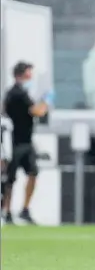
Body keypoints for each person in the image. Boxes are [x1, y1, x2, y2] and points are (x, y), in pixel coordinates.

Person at [2, 62, 51, 224]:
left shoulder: (15, 93)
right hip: (16, 142)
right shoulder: (18, 93)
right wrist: (46, 101)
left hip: (25, 141)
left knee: (31, 173)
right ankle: (8, 211)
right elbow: (37, 111)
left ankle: (23, 209)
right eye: (29, 72)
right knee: (10, 178)